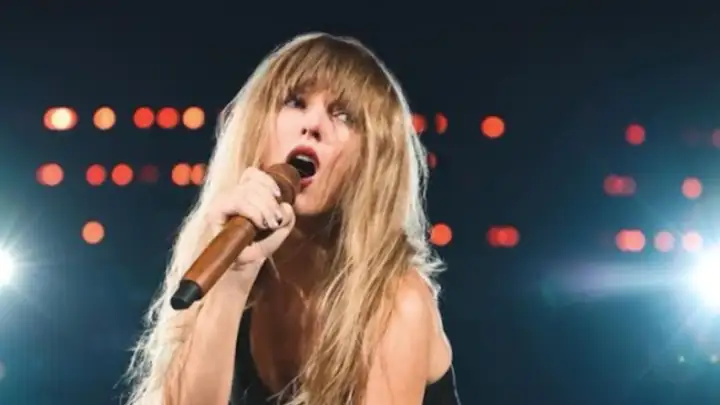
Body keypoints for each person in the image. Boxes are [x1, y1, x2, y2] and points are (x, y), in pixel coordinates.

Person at [124, 32, 460, 405]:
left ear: (372, 160)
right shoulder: (229, 259)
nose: (313, 124)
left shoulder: (397, 303)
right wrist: (235, 277)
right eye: (295, 102)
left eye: (343, 115)